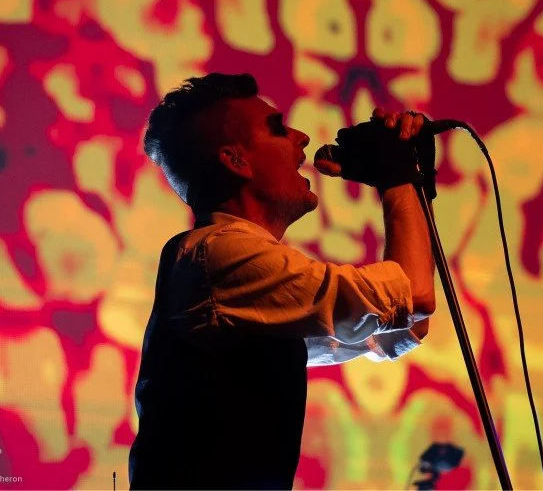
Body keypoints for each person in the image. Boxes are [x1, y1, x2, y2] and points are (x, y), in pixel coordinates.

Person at [128, 73, 436, 490]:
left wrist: (404, 183)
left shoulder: (240, 276)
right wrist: (398, 176)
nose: (302, 137)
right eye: (277, 128)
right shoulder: (220, 255)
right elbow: (412, 297)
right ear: (236, 160)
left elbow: (406, 322)